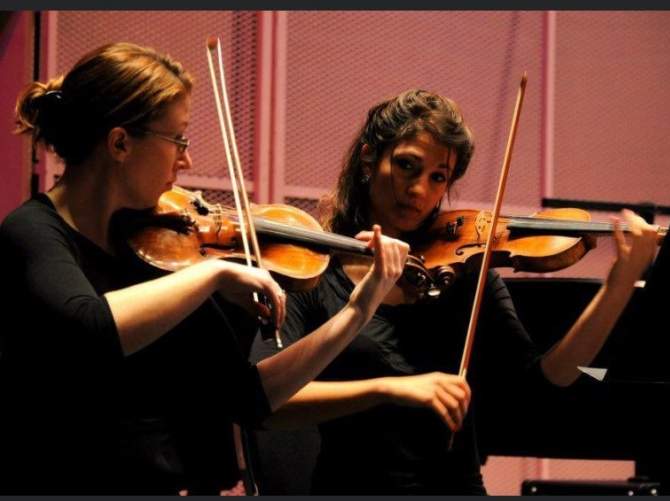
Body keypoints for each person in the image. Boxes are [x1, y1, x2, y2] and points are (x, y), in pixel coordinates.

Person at [0, 42, 411, 495]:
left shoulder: (155, 250)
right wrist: (210, 276)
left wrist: (357, 311)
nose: (187, 160)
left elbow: (248, 399)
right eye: (178, 140)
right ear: (120, 143)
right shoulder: (31, 233)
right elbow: (88, 330)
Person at [251, 89, 660, 494]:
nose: (419, 190)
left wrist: (619, 285)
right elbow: (264, 403)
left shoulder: (463, 278)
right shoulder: (313, 270)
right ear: (369, 158)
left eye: (438, 177)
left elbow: (547, 382)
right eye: (407, 165)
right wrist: (386, 389)